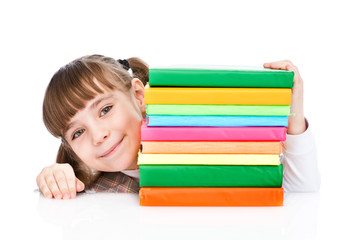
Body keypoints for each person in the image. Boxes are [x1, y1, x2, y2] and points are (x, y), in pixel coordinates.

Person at [36, 55, 320, 199]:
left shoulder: (197, 142)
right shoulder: (98, 188)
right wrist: (56, 179)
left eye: (105, 110)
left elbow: (300, 194)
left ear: (138, 95)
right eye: (78, 132)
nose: (99, 136)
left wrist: (293, 117)